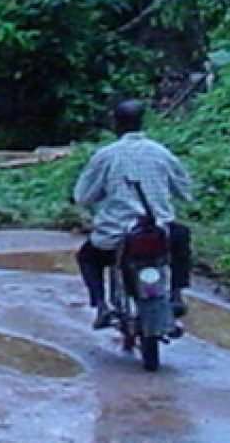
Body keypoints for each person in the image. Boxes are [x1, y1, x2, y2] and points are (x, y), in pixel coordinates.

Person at [73, 97, 193, 328]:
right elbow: (185, 191)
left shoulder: (105, 156)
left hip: (118, 235)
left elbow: (82, 197)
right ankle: (176, 295)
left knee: (87, 257)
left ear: (115, 124)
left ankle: (101, 306)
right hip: (159, 231)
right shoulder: (161, 153)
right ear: (142, 122)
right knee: (182, 237)